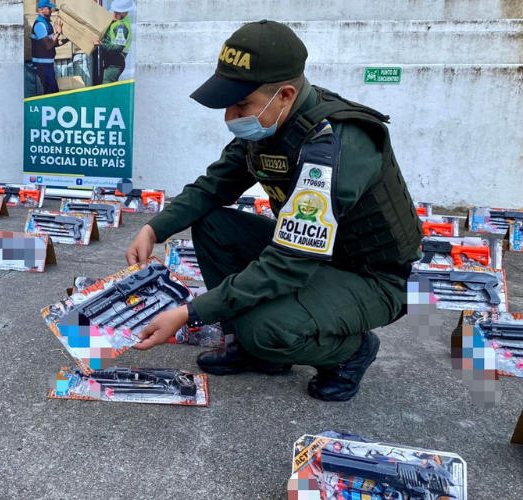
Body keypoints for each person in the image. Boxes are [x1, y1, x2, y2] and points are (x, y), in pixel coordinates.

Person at [125, 20, 423, 402]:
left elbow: (288, 263)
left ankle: (351, 351)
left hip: (370, 277)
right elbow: (213, 186)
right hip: (316, 255)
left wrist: (190, 313)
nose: (230, 116)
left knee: (263, 328)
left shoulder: (336, 148)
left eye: (241, 104)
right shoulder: (275, 124)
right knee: (214, 224)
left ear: (284, 94)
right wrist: (154, 229)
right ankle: (257, 353)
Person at [30, 0, 70, 95]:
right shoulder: (40, 25)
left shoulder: (46, 23)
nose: (51, 10)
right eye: (49, 8)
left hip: (47, 64)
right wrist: (58, 32)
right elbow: (48, 45)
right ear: (42, 9)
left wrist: (67, 39)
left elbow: (53, 43)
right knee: (52, 92)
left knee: (51, 91)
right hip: (42, 65)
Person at [94, 0, 134, 84]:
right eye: (115, 11)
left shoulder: (121, 27)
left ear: (125, 13)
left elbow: (118, 48)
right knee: (100, 85)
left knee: (106, 90)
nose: (115, 14)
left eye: (118, 12)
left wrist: (102, 45)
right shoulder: (119, 21)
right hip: (110, 63)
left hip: (114, 64)